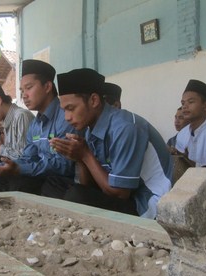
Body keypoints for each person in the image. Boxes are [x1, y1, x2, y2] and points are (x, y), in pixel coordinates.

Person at [45, 68, 173, 219]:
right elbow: (89, 186)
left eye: (71, 109)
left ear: (94, 100)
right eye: (64, 110)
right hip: (120, 195)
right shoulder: (89, 129)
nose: (66, 117)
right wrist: (79, 159)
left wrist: (85, 155)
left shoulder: (126, 128)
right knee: (53, 183)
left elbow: (120, 194)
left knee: (76, 196)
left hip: (146, 204)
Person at [0, 59, 77, 194]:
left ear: (47, 87)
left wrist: (20, 169)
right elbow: (27, 158)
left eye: (29, 88)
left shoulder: (66, 117)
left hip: (62, 182)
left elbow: (63, 166)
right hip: (43, 178)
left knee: (21, 184)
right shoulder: (35, 124)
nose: (24, 95)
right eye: (21, 90)